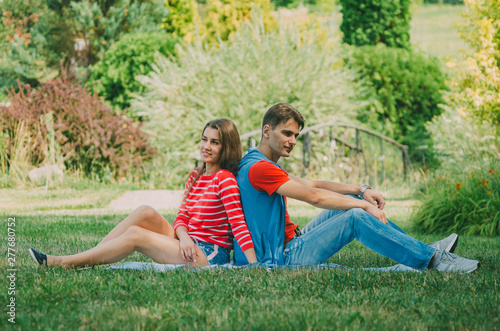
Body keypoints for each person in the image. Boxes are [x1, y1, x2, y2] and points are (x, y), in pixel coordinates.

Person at [233, 103, 480, 273]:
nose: (293, 142)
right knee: (354, 217)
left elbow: (313, 183)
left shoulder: (258, 161)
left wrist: (360, 190)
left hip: (291, 242)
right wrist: (363, 205)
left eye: (296, 136)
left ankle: (422, 249)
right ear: (267, 131)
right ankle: (433, 259)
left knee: (350, 200)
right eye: (287, 133)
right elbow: (315, 196)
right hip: (282, 258)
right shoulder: (260, 169)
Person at [29, 118, 258, 268]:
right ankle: (92, 256)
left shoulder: (225, 180)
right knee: (144, 212)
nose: (206, 146)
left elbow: (238, 225)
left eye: (215, 142)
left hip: (207, 254)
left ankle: (65, 262)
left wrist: (254, 265)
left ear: (225, 147)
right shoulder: (196, 175)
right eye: (204, 139)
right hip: (188, 242)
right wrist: (185, 238)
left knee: (135, 234)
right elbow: (182, 217)